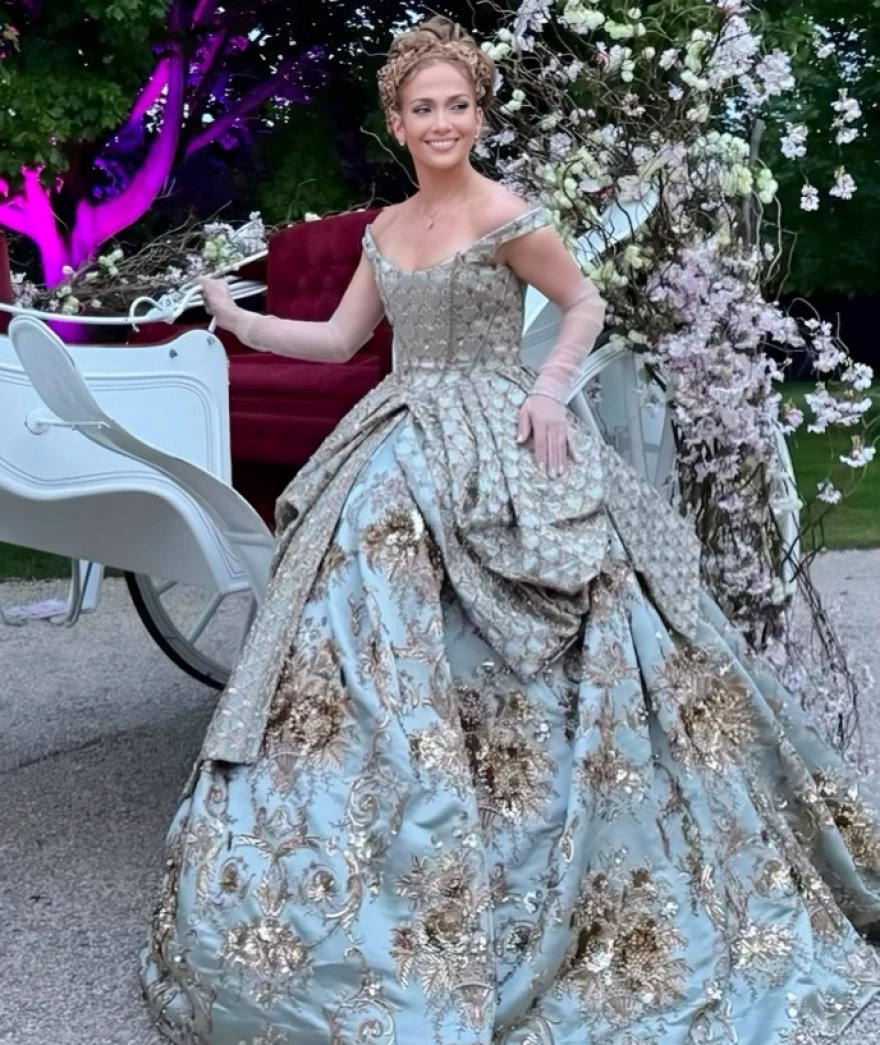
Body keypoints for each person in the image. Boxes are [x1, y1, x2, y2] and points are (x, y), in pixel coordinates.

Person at [140, 16, 880, 1045]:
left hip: (501, 433)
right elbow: (344, 340)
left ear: (477, 116)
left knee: (594, 624)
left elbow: (583, 305)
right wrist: (239, 320)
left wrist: (548, 390)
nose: (442, 121)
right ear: (399, 122)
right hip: (401, 439)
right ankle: (390, 838)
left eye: (458, 104)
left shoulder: (507, 214)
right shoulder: (386, 229)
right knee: (358, 615)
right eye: (424, 107)